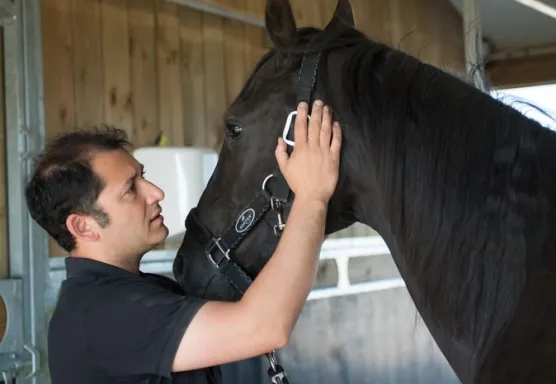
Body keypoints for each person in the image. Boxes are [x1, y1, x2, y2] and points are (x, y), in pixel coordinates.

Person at [25, 100, 342, 383]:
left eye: (143, 175)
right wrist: (312, 197)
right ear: (84, 225)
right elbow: (264, 326)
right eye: (131, 189)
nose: (156, 193)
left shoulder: (136, 293)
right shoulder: (102, 314)